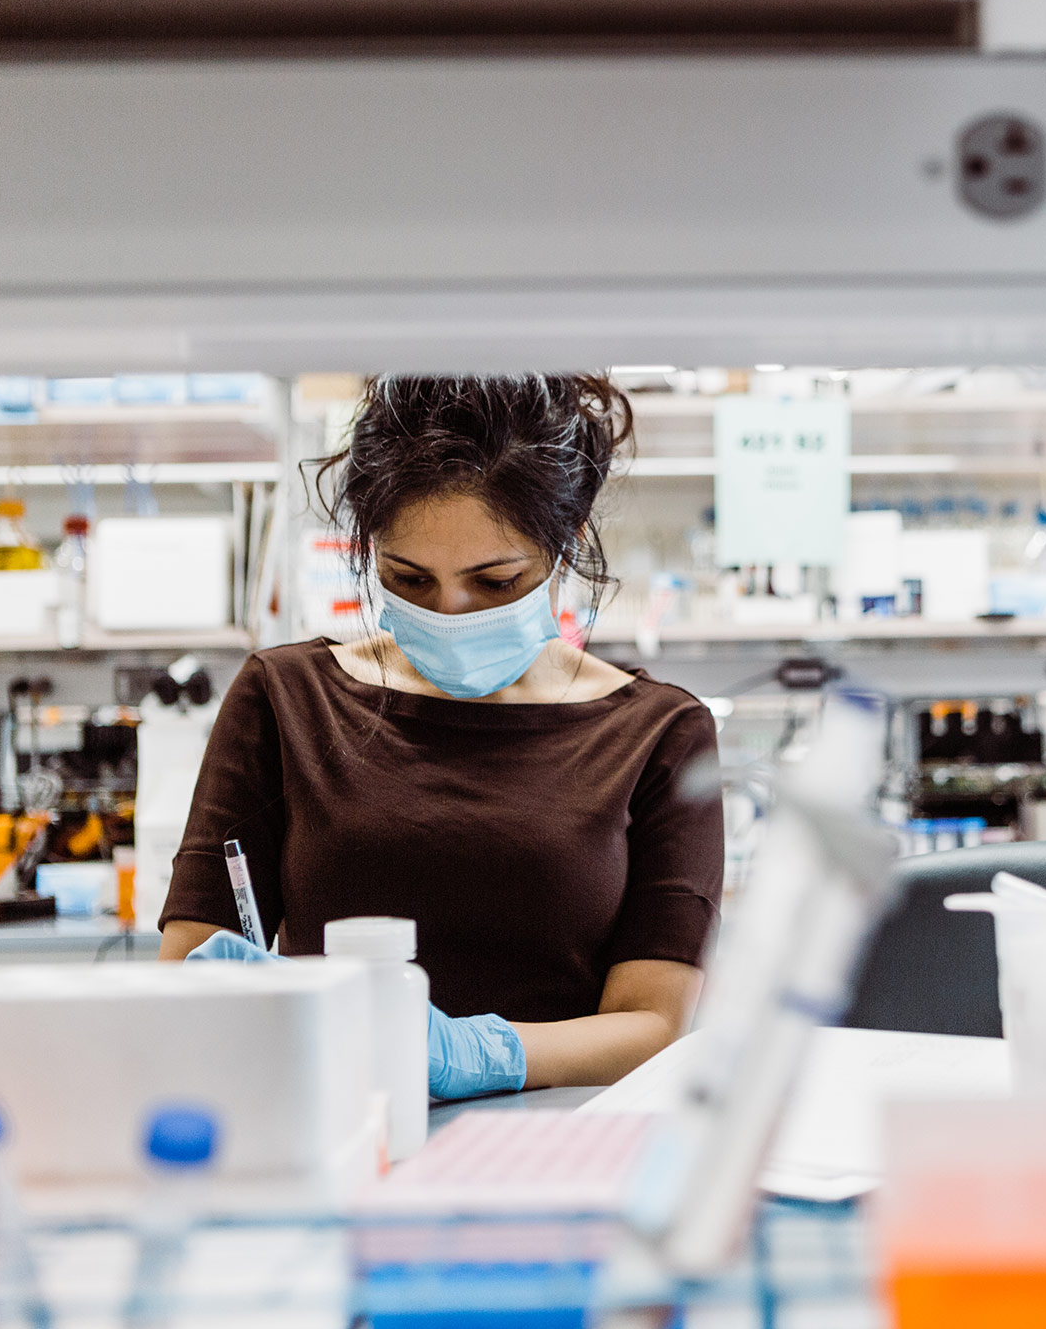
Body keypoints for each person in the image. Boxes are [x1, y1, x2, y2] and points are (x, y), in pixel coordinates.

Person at [157, 374, 724, 1098]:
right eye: (410, 579)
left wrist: (474, 1051)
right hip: (335, 1132)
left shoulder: (659, 734)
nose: (451, 611)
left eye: (494, 583)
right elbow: (187, 972)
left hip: (562, 1152)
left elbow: (653, 1022)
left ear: (566, 544)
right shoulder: (287, 698)